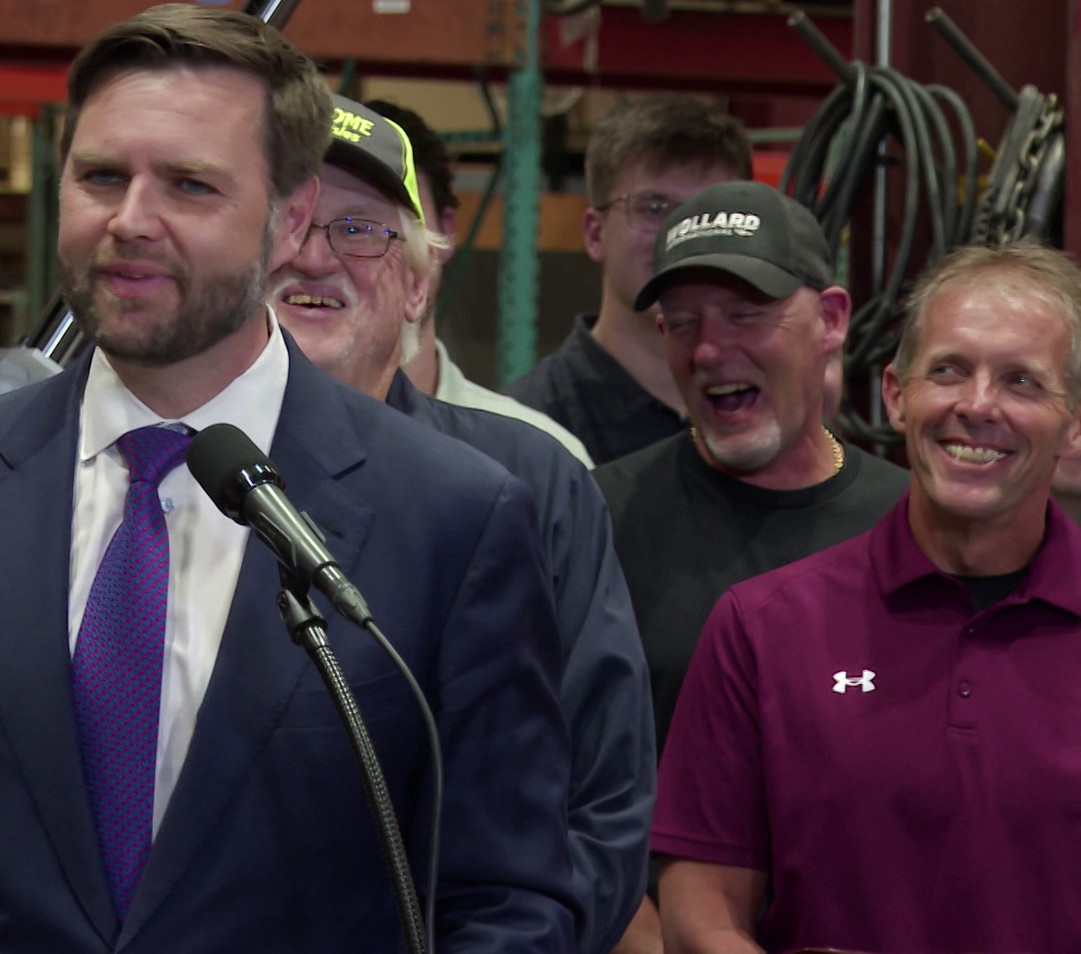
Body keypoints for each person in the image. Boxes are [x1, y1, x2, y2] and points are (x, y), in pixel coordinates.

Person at [0, 5, 576, 953]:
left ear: (290, 216)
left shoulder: (452, 517)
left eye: (189, 184)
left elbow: (508, 901)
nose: (131, 221)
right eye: (101, 177)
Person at [270, 93, 655, 954]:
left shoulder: (528, 483)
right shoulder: (172, 476)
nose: (314, 258)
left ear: (417, 285)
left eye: (361, 230)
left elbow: (602, 804)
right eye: (286, 223)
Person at [655, 244, 1081, 953]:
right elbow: (701, 905)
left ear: (1075, 424)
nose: (977, 406)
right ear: (895, 394)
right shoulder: (763, 628)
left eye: (1022, 382)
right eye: (947, 370)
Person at [593, 181, 907, 951]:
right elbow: (557, 787)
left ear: (831, 320)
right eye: (682, 323)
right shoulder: (599, 517)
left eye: (745, 315)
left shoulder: (912, 526)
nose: (707, 350)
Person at [507, 95, 750, 465]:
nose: (682, 234)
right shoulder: (525, 432)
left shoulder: (765, 416)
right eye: (653, 208)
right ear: (594, 233)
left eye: (710, 211)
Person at [361, 99, 593, 467]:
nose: (329, 255)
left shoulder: (542, 462)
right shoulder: (245, 439)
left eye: (396, 222)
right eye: (316, 222)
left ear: (447, 231)